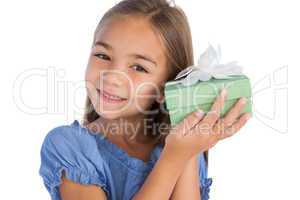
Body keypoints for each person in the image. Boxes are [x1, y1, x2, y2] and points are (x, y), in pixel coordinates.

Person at [39, 0, 251, 199]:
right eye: (103, 55)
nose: (112, 76)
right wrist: (173, 158)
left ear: (165, 87)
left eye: (139, 67)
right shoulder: (70, 147)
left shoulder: (183, 146)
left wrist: (186, 148)